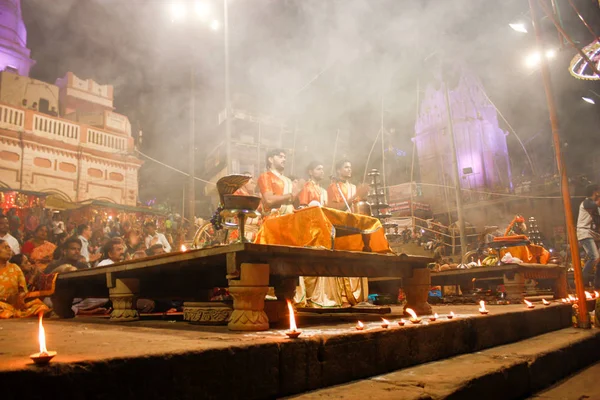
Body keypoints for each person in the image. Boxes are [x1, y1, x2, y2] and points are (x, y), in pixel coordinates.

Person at [0, 240, 50, 318]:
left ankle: (10, 312)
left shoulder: (15, 267)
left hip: (14, 306)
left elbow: (23, 290)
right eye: (5, 247)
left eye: (9, 247)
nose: (9, 250)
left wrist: (21, 297)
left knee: (40, 307)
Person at [257, 148, 303, 217]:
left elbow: (295, 206)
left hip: (289, 219)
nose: (284, 159)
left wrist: (297, 192)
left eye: (285, 157)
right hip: (272, 221)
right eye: (280, 157)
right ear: (271, 159)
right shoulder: (266, 176)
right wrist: (290, 195)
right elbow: (269, 200)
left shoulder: (288, 180)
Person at [576, 184, 600, 288]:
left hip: (593, 233)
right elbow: (595, 205)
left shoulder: (595, 207)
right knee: (594, 257)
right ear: (595, 192)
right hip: (585, 233)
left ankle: (597, 284)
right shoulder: (586, 202)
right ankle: (582, 280)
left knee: (598, 259)